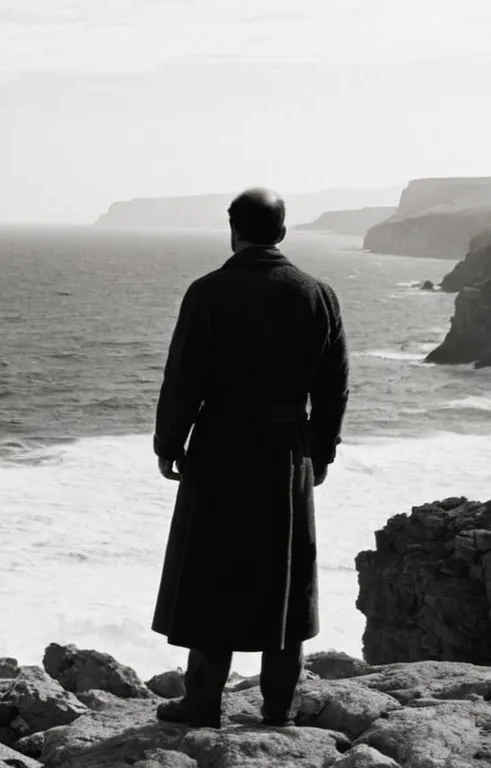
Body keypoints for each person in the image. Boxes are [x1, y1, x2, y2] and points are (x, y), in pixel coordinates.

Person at [150, 187, 350, 728]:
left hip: (220, 449)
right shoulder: (319, 294)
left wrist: (170, 444)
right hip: (287, 452)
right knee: (282, 576)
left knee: (216, 569)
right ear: (282, 232)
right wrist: (321, 452)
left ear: (233, 229)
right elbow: (334, 389)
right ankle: (279, 708)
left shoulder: (208, 293)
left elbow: (183, 379)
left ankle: (202, 704)